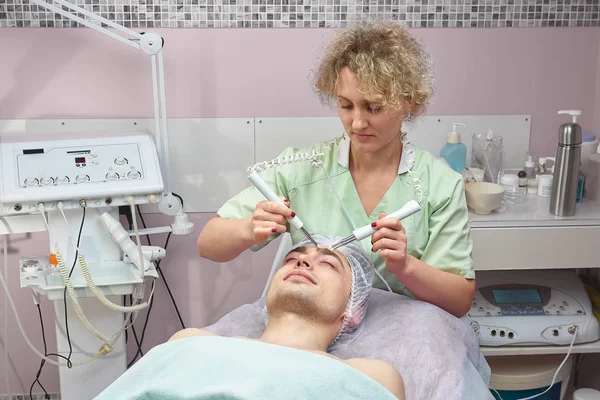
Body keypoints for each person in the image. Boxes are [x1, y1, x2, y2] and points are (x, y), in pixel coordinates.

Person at [198, 20, 475, 318]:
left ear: (410, 103)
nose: (357, 123)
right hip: (308, 329)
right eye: (345, 106)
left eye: (374, 108)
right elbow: (208, 244)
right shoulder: (302, 170)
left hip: (399, 338)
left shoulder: (439, 185)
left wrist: (405, 266)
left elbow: (459, 301)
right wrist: (249, 229)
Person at [95, 237, 405, 400]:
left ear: (352, 311)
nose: (304, 261)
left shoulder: (373, 375)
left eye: (328, 263)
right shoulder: (192, 341)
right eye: (293, 259)